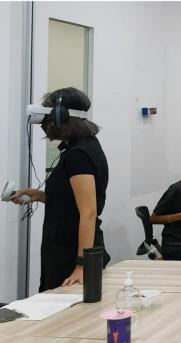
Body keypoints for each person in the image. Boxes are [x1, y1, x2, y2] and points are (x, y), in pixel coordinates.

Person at [12, 88, 110, 291]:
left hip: (71, 253)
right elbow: (72, 201)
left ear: (60, 118)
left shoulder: (78, 155)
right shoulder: (83, 147)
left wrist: (81, 265)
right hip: (65, 248)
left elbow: (88, 213)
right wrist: (39, 195)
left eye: (48, 116)